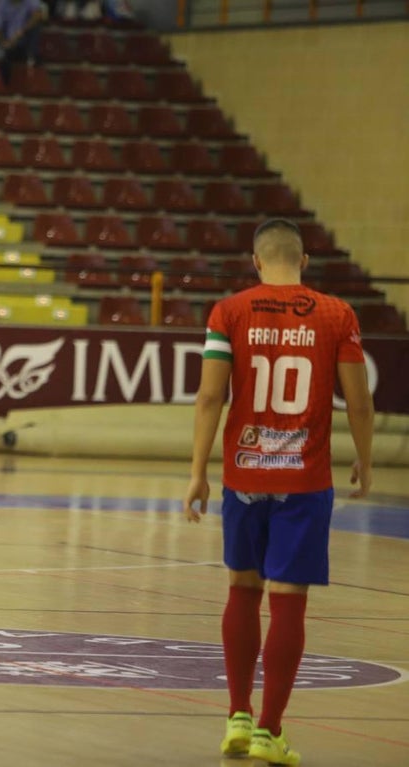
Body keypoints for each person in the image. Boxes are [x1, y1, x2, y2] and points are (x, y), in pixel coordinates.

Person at [183, 218, 374, 765]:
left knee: (242, 589)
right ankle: (269, 730)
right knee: (290, 601)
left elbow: (209, 398)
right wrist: (363, 457)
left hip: (245, 475)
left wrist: (198, 471)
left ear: (256, 260)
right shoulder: (338, 314)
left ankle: (237, 716)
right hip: (305, 479)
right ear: (304, 261)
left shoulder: (230, 311)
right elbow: (358, 403)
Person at [0, 0, 45, 83]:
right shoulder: (1, 3)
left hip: (24, 40)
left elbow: (38, 14)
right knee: (1, 57)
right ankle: (5, 85)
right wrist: (4, 42)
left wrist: (21, 31)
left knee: (36, 27)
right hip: (8, 42)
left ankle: (31, 58)